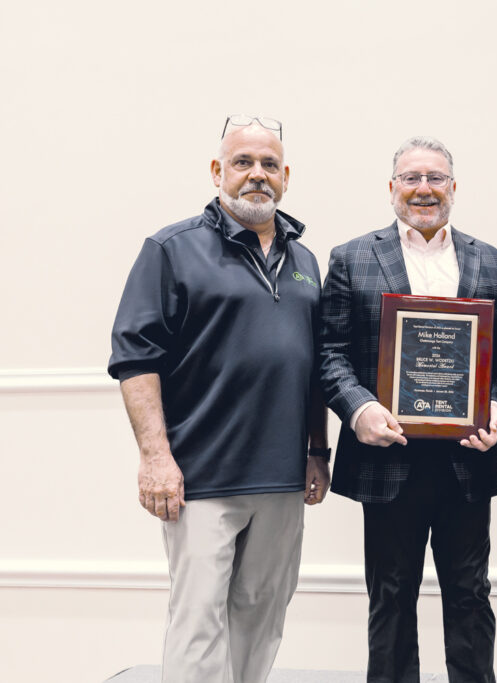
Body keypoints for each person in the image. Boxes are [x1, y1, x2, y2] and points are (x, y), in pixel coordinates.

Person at [108, 115, 330, 683]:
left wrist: (317, 451)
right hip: (201, 476)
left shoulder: (304, 261)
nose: (257, 175)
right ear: (217, 171)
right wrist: (155, 457)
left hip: (281, 477)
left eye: (269, 165)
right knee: (198, 620)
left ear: (286, 177)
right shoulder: (171, 249)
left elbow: (312, 368)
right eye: (243, 163)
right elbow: (135, 359)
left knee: (262, 613)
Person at [319, 136, 497, 683]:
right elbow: (330, 354)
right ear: (391, 189)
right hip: (386, 457)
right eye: (411, 178)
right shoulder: (351, 257)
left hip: (467, 458)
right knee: (389, 597)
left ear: (454, 188)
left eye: (435, 178)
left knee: (471, 596)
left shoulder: (494, 262)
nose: (423, 189)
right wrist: (360, 412)